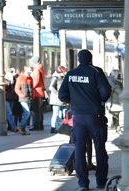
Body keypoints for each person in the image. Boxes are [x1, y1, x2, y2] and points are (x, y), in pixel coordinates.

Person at [58, 49, 112, 191]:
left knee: (79, 150)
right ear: (90, 59)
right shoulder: (96, 72)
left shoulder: (70, 74)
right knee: (100, 149)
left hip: (78, 118)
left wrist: (74, 102)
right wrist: (98, 101)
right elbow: (106, 92)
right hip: (95, 116)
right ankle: (101, 182)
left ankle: (83, 183)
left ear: (78, 59)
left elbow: (62, 95)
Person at [14, 66, 33, 135]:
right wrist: (22, 95)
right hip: (23, 98)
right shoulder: (20, 78)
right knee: (27, 112)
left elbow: (32, 89)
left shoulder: (30, 78)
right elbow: (16, 89)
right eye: (29, 70)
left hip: (29, 98)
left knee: (26, 113)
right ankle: (21, 126)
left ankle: (23, 129)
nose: (30, 72)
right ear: (25, 70)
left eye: (31, 70)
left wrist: (32, 96)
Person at [49, 65, 68, 134]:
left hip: (62, 99)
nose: (65, 72)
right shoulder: (56, 77)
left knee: (63, 113)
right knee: (55, 113)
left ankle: (62, 126)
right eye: (65, 71)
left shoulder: (63, 78)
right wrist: (58, 93)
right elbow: (51, 87)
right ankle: (53, 127)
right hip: (56, 99)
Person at [30, 56, 45, 131]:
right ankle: (40, 124)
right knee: (39, 109)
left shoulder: (36, 70)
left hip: (36, 91)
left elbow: (35, 82)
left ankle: (37, 124)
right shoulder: (40, 68)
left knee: (36, 109)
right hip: (40, 91)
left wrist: (30, 87)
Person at [5, 68, 20, 132]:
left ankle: (10, 126)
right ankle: (13, 127)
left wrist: (13, 79)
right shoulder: (5, 80)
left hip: (12, 98)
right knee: (9, 113)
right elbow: (5, 88)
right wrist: (9, 81)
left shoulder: (15, 79)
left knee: (10, 113)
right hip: (7, 98)